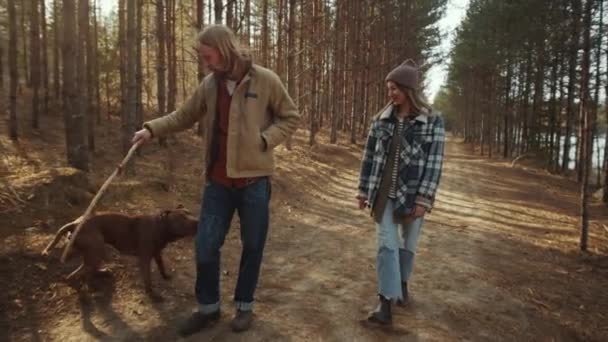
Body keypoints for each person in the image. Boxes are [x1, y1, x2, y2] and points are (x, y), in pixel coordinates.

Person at [132, 24, 300, 336]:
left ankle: (244, 306)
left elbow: (291, 117)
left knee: (253, 246)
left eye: (208, 57)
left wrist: (265, 140)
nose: (205, 63)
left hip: (255, 184)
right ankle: (208, 308)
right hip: (218, 184)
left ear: (224, 50)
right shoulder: (210, 84)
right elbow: (183, 115)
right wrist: (151, 129)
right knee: (206, 245)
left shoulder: (265, 80)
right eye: (203, 58)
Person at [356, 59, 445, 325]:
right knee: (386, 245)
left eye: (394, 88)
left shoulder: (432, 121)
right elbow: (368, 157)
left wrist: (424, 199)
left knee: (408, 246)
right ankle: (385, 303)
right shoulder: (380, 120)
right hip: (383, 195)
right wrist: (362, 190)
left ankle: (402, 283)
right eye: (388, 88)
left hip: (413, 195)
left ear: (408, 90)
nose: (390, 93)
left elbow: (434, 164)